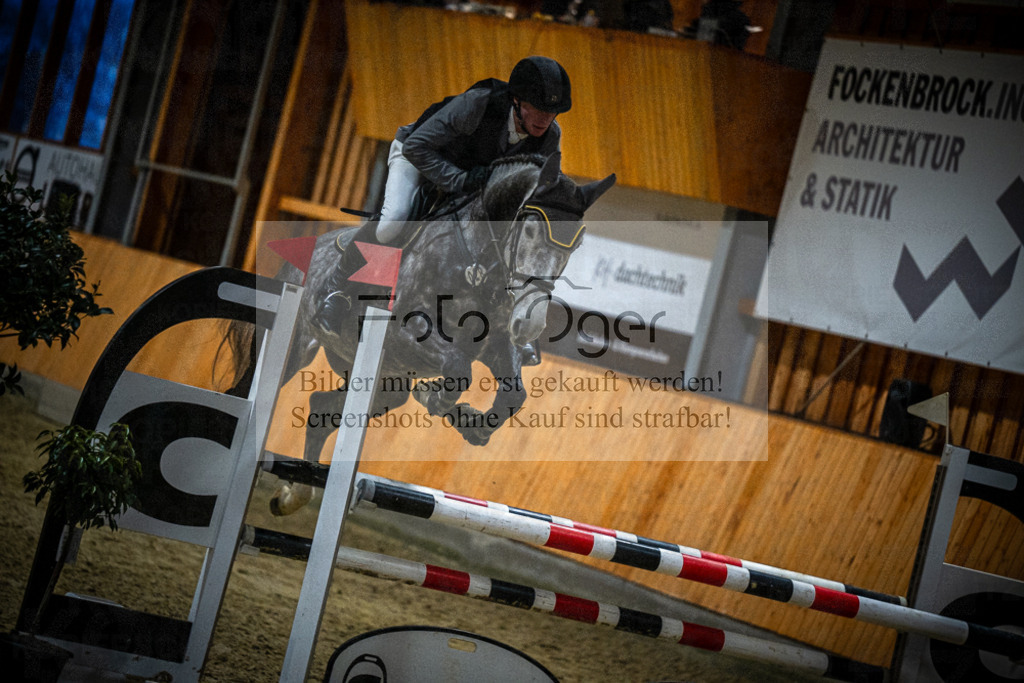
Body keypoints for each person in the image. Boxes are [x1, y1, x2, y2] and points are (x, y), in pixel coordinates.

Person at [321, 56, 572, 322]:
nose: (546, 118)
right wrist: (460, 179)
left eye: (552, 112)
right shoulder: (477, 104)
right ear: (517, 101)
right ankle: (336, 288)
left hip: (470, 184)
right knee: (394, 220)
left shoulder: (550, 137)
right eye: (538, 108)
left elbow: (541, 191)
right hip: (419, 156)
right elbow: (416, 147)